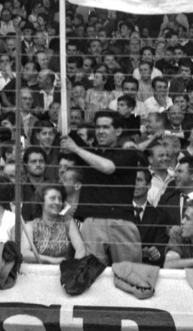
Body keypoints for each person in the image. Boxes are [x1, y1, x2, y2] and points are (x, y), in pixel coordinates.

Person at [64, 111, 141, 265]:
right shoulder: (90, 153)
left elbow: (108, 167)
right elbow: (63, 126)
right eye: (97, 127)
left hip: (122, 222)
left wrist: (78, 150)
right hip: (92, 222)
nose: (100, 131)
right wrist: (61, 88)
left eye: (105, 127)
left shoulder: (129, 152)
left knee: (130, 274)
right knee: (90, 276)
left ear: (118, 131)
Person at [21, 185, 86, 263]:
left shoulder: (68, 221)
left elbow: (80, 249)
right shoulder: (30, 226)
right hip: (38, 273)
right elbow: (24, 254)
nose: (57, 202)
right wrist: (52, 260)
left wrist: (74, 269)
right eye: (53, 198)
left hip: (65, 272)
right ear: (41, 201)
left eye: (60, 199)